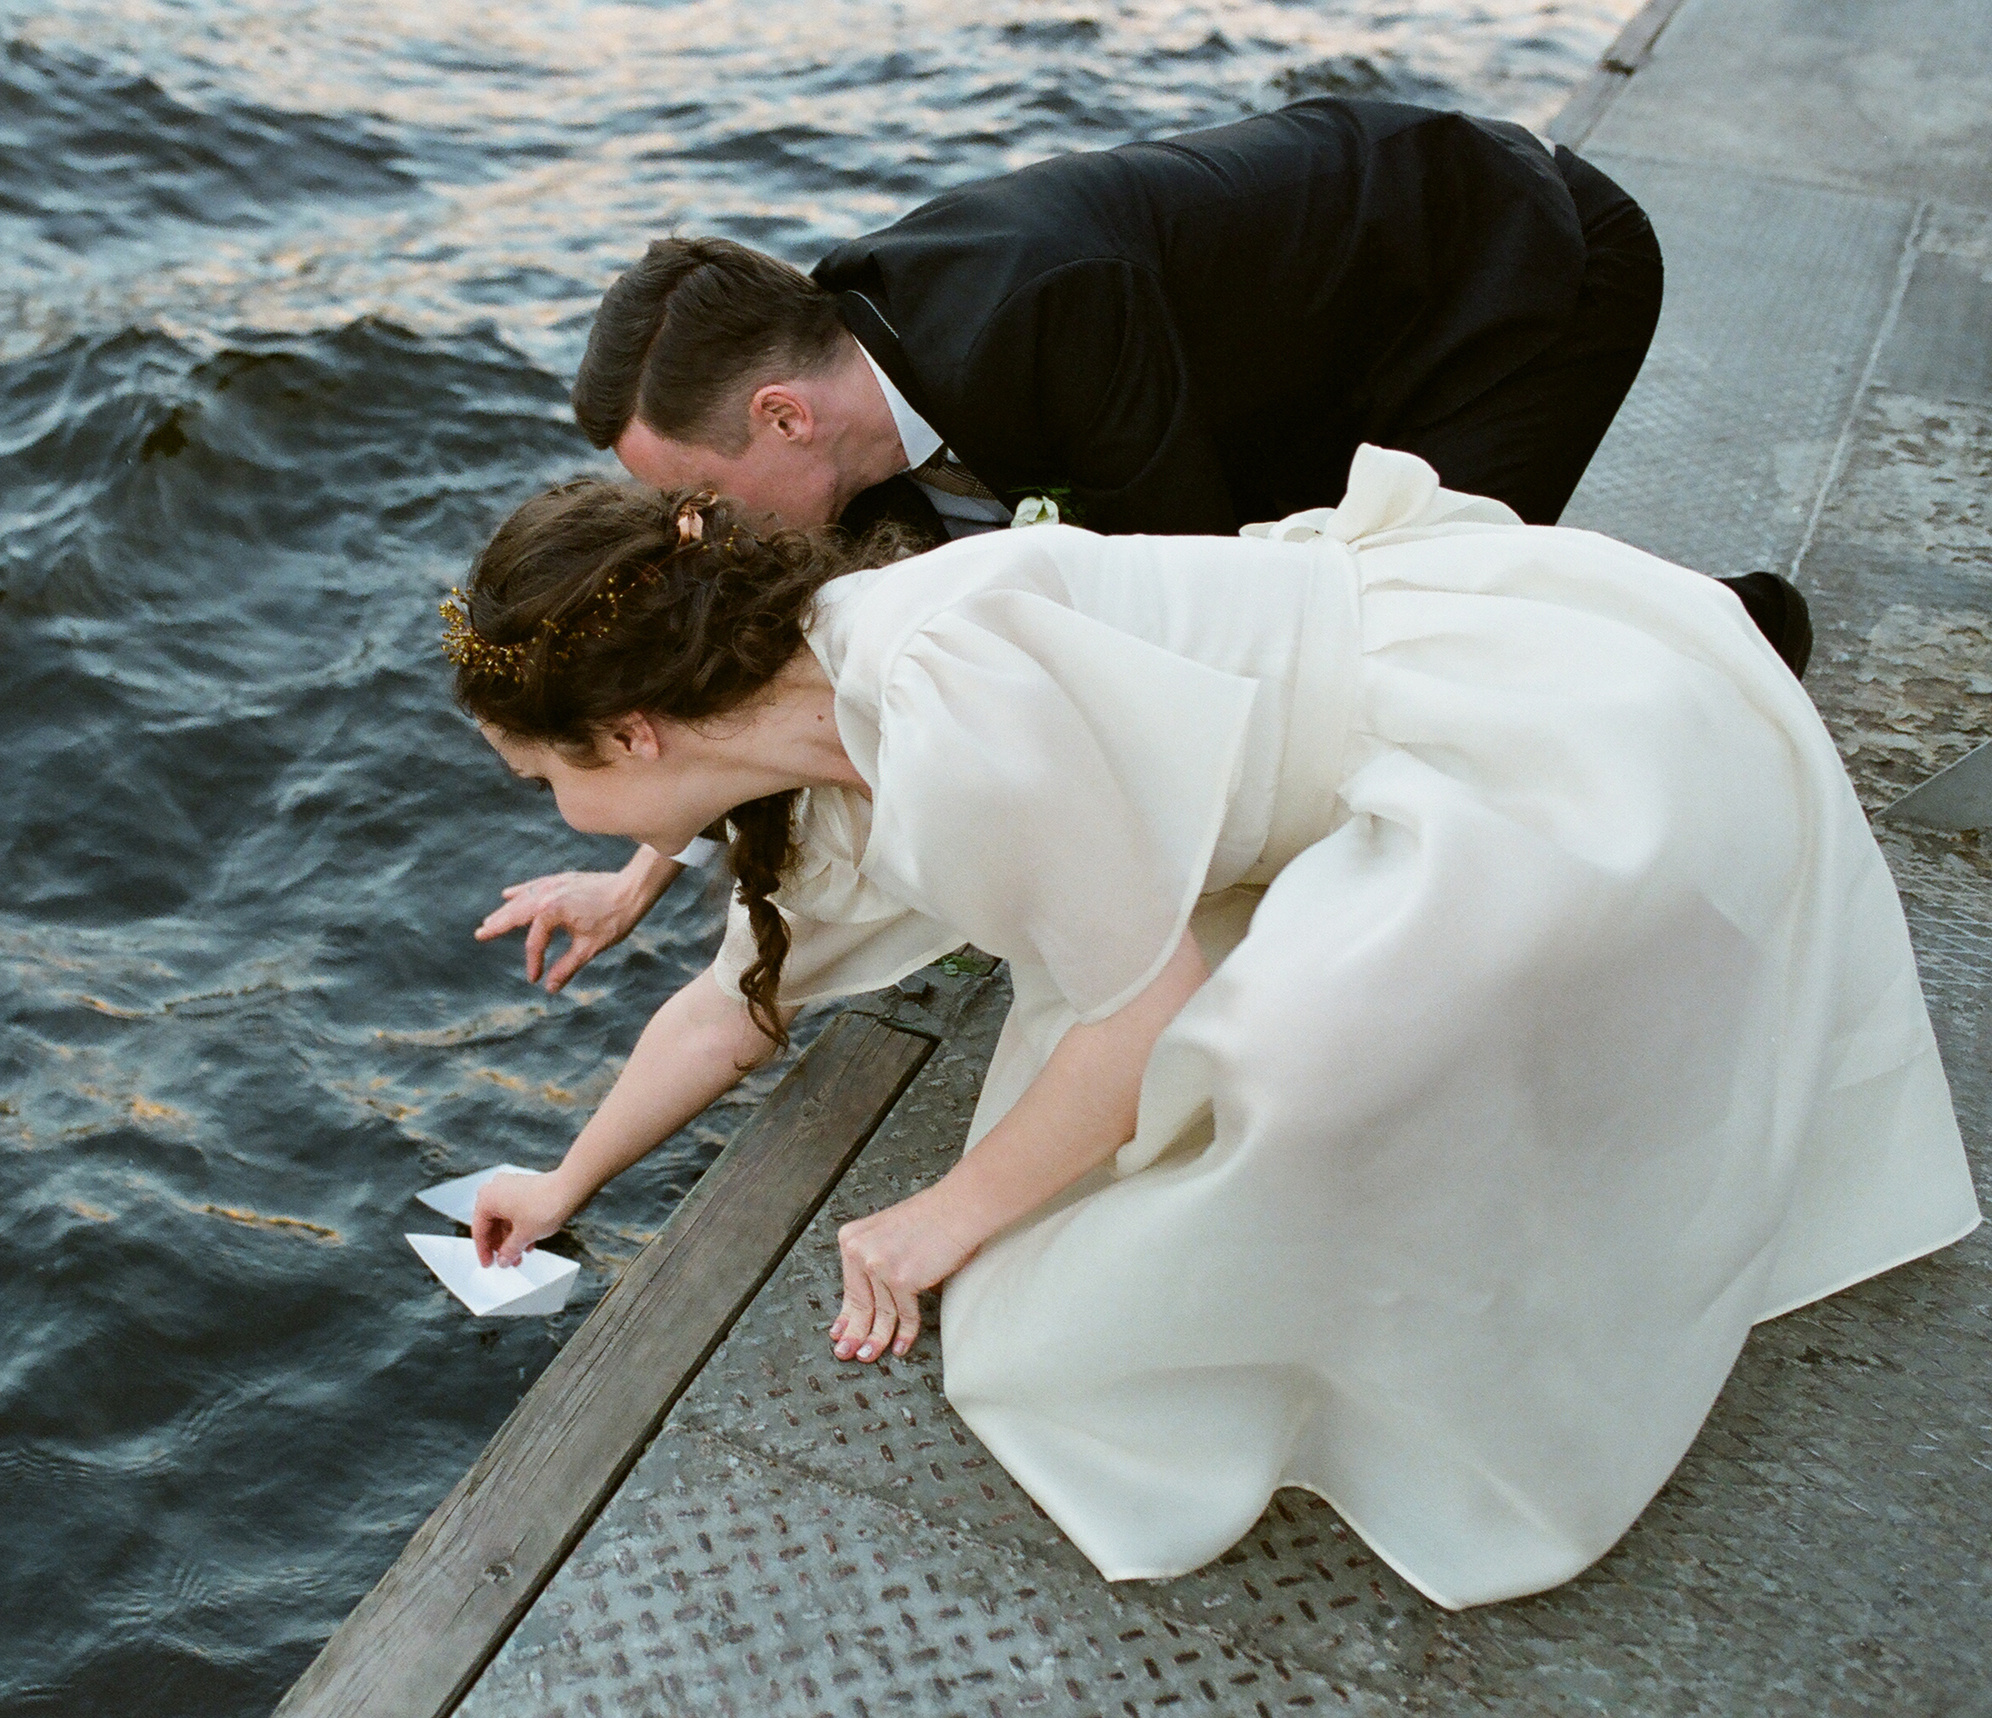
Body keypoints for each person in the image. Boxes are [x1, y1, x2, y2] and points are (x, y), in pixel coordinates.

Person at [441, 448, 1975, 1607]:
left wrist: (933, 1220)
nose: (558, 815)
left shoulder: (932, 698)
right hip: (1352, 749)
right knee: (1093, 1196)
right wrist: (566, 1183)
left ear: (635, 731)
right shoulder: (810, 726)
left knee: (1264, 1095)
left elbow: (1147, 1006)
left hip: (1505, 745)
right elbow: (734, 1003)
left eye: (544, 779)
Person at [482, 95, 1811, 992]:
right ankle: (1653, 636)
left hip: (1520, 263)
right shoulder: (853, 391)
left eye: (702, 496)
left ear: (782, 413)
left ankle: (1727, 635)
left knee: (1407, 629)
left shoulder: (1048, 312)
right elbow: (757, 658)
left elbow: (1204, 615)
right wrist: (637, 869)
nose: (701, 536)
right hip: (1304, 354)